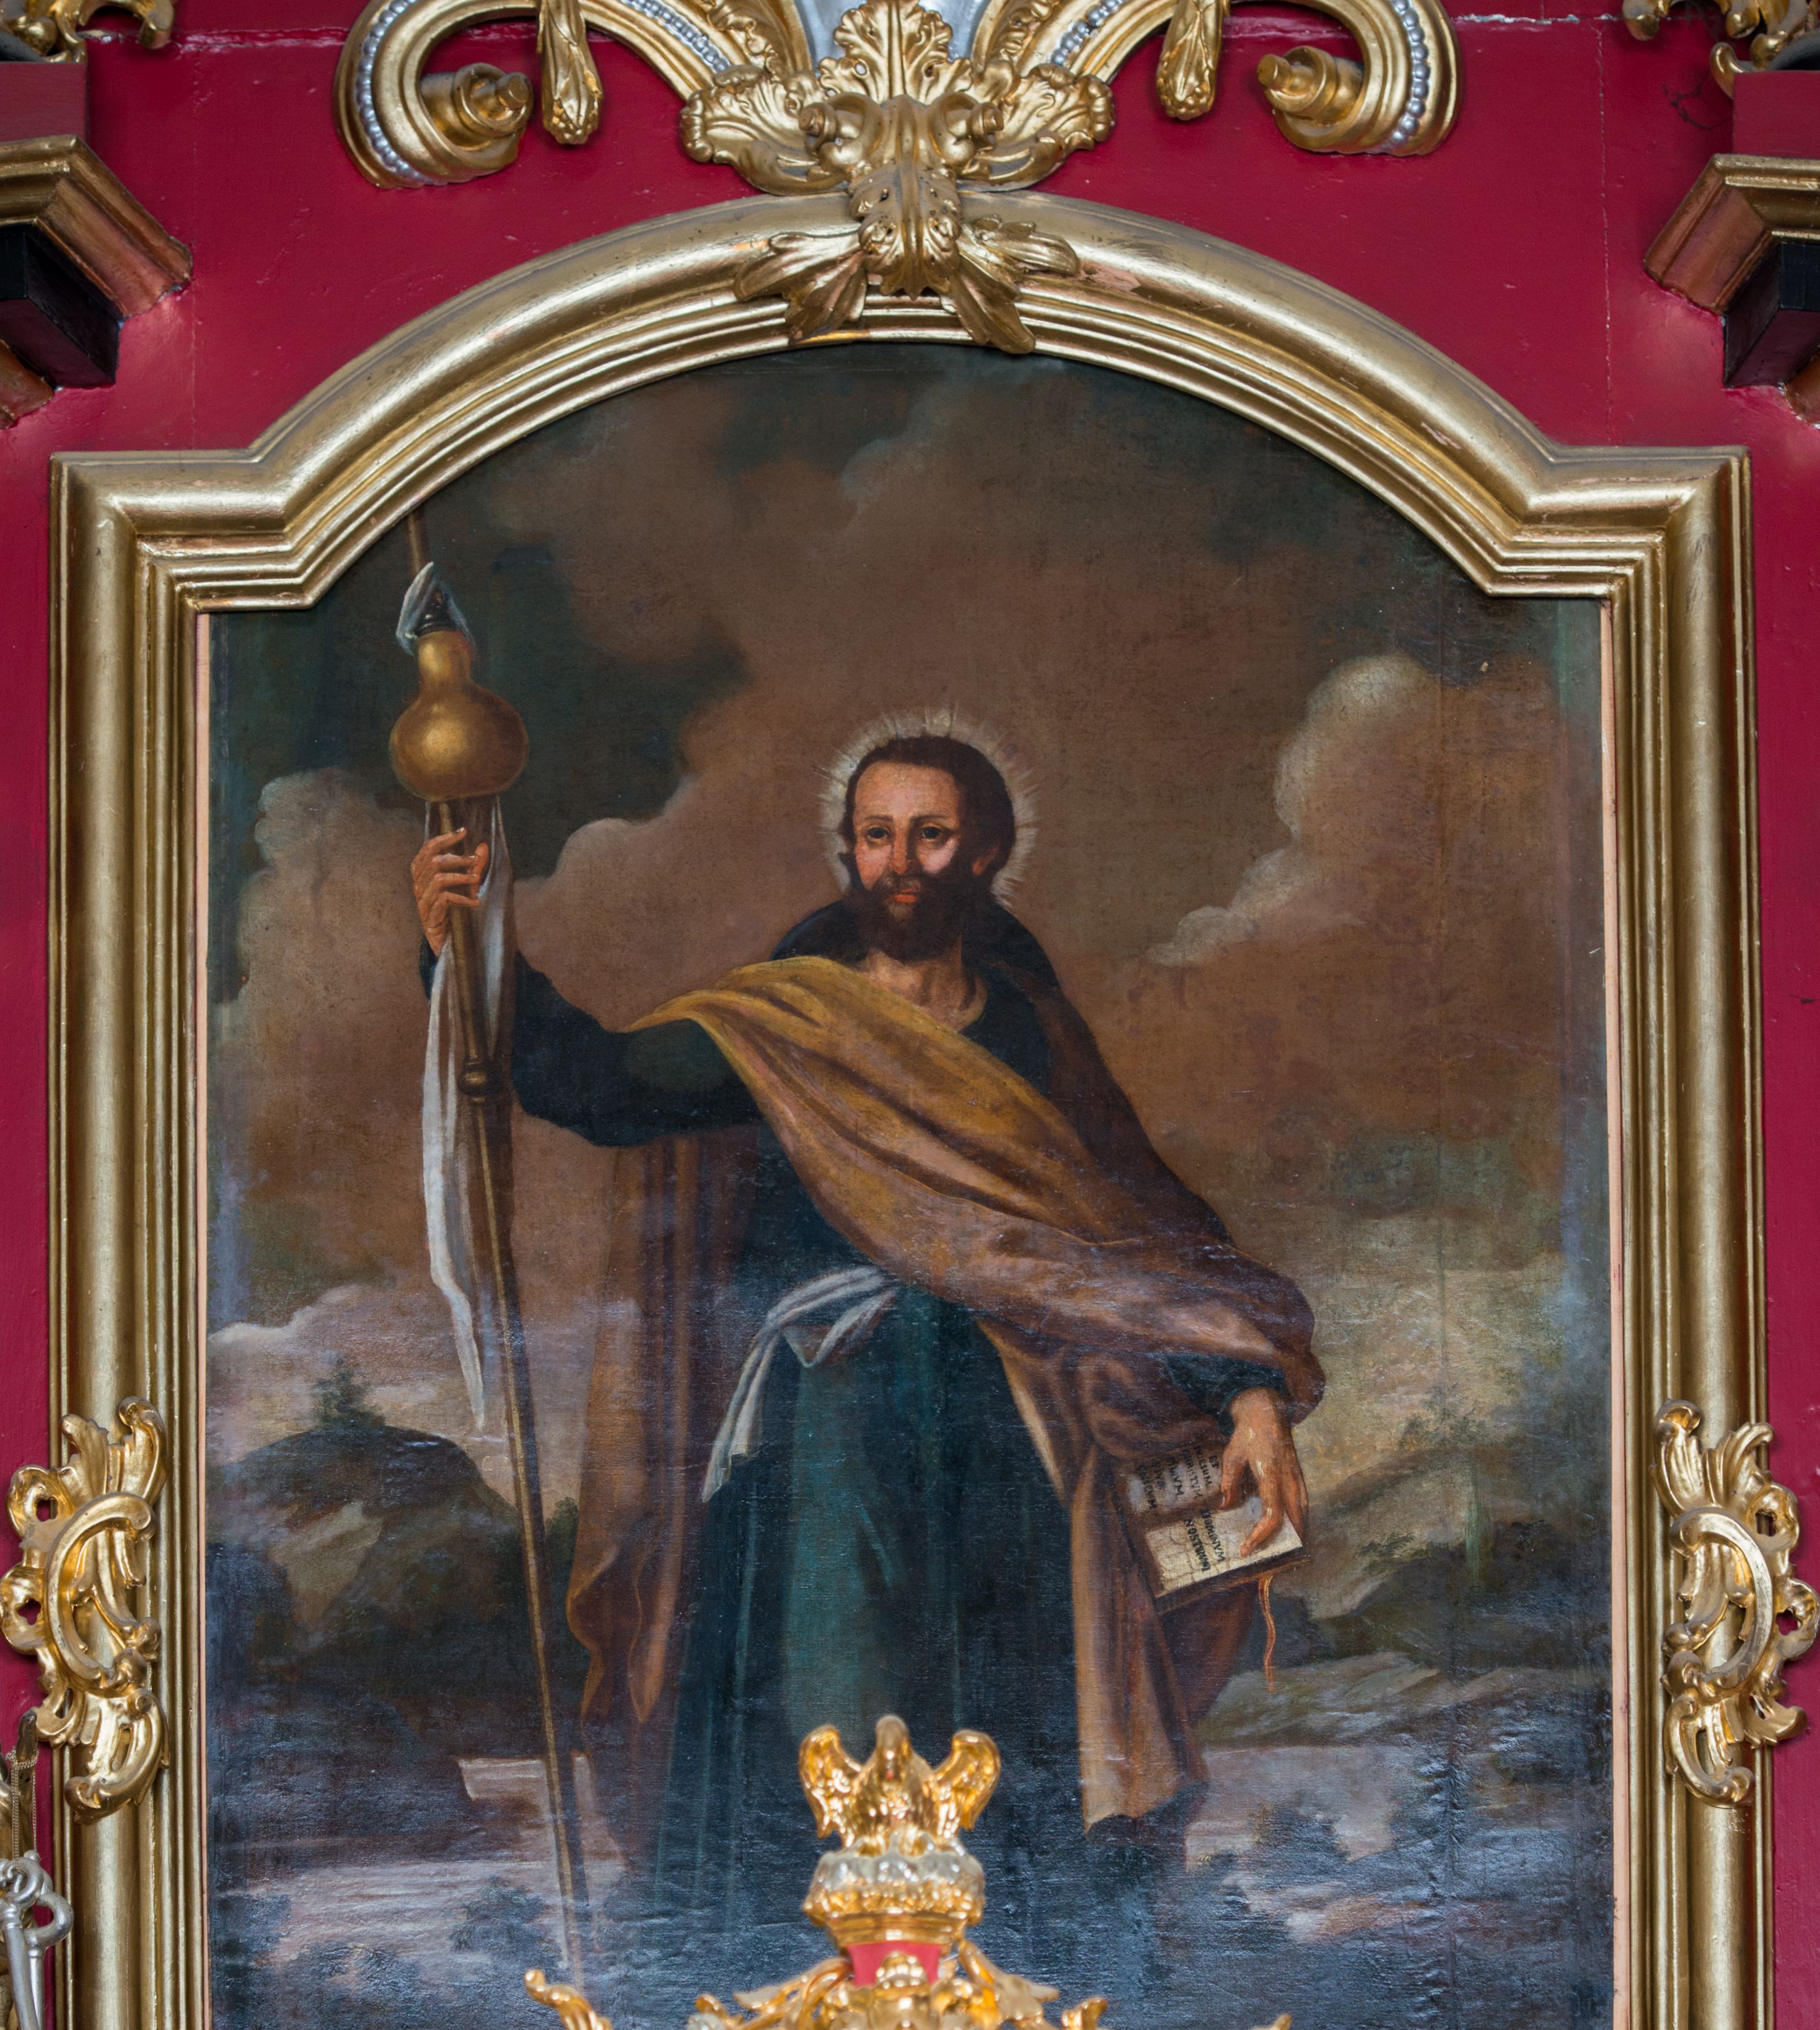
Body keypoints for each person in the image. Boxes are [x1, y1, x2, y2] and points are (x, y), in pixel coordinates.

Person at [414, 731, 1321, 1935]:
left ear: (984, 852)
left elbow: (1140, 1235)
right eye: (877, 836)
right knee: (817, 1723)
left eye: (930, 836)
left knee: (1016, 1748)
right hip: (822, 1434)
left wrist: (1247, 1387)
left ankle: (1027, 1983)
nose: (901, 863)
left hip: (1006, 1451)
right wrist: (465, 951)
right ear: (848, 851)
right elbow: (597, 1082)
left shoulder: (1030, 1039)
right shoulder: (787, 1024)